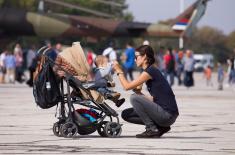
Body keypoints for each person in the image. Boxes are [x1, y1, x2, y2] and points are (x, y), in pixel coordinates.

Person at [113, 45, 179, 138]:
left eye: (136, 57)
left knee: (134, 97)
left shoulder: (150, 71)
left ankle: (152, 129)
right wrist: (139, 93)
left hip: (167, 115)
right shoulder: (150, 70)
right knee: (126, 114)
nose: (135, 60)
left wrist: (119, 71)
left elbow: (126, 87)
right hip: (166, 115)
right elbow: (153, 99)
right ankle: (160, 127)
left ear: (144, 57)